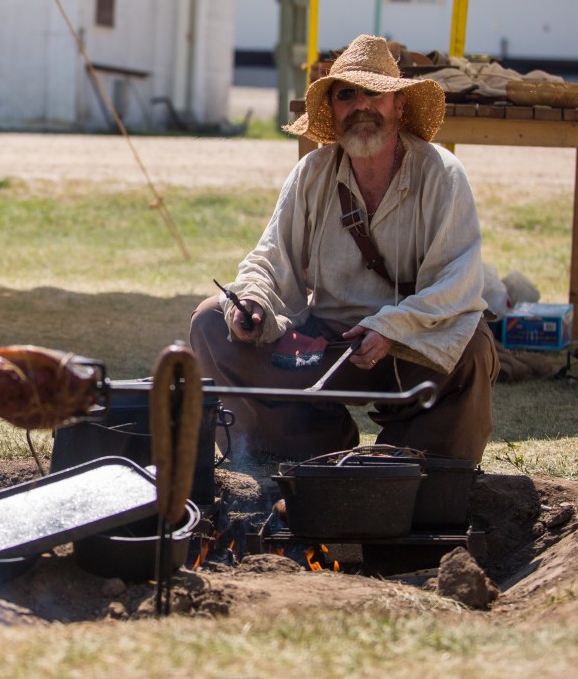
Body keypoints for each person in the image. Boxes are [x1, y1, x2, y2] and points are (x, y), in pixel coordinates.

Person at [190, 34, 499, 464]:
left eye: (375, 92)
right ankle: (305, 455)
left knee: (472, 345)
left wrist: (391, 328)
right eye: (346, 95)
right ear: (332, 111)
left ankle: (419, 469)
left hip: (408, 347)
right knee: (210, 321)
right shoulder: (312, 173)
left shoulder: (441, 173)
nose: (361, 106)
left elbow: (459, 282)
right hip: (326, 348)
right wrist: (253, 303)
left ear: (400, 105)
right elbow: (270, 258)